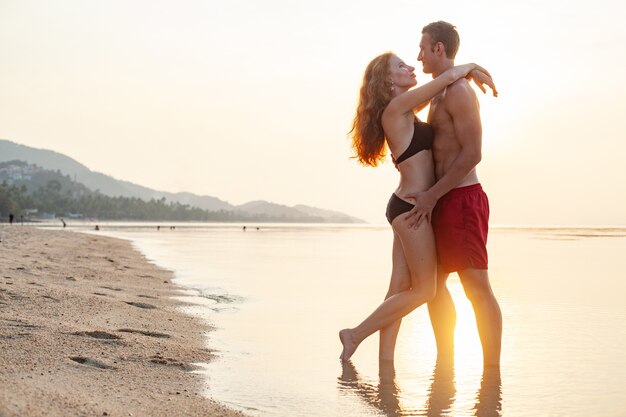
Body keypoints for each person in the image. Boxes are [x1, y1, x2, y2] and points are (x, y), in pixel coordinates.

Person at [339, 52, 496, 362]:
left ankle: (386, 366)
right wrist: (472, 67)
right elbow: (446, 79)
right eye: (401, 66)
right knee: (425, 291)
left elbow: (442, 88)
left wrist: (464, 74)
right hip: (412, 209)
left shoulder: (406, 109)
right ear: (387, 80)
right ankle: (354, 335)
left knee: (399, 286)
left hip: (405, 206)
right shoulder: (396, 108)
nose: (411, 67)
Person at [403, 21, 502, 367]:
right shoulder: (439, 91)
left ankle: (492, 377)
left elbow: (472, 153)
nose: (418, 55)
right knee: (433, 288)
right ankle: (445, 364)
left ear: (439, 49)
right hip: (440, 201)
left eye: (423, 47)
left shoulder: (459, 91)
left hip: (460, 200)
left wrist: (432, 195)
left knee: (476, 289)